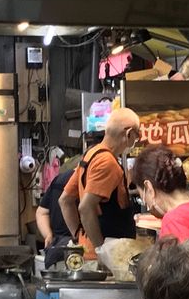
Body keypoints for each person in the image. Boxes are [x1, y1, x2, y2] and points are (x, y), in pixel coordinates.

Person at [59, 108, 141, 257]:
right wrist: (102, 252)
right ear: (129, 133)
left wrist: (79, 237)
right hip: (108, 255)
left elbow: (65, 200)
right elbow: (85, 208)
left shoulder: (91, 155)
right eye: (137, 135)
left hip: (89, 249)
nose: (137, 141)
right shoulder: (107, 162)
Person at [132, 145, 189, 245]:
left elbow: (178, 255)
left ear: (149, 188)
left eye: (143, 196)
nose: (146, 203)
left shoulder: (174, 220)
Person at [36, 166, 77, 267]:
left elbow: (42, 212)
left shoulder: (58, 180)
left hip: (55, 247)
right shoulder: (87, 180)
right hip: (78, 247)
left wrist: (48, 235)